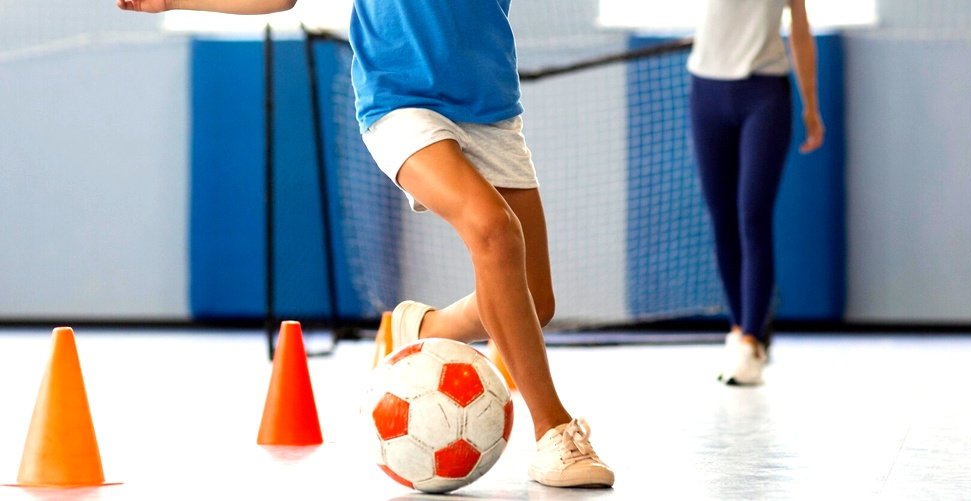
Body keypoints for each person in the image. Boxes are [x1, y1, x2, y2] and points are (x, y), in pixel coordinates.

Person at [116, 0, 615, 488]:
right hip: (401, 106)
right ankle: (555, 431)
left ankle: (429, 327)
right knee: (494, 229)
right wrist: (171, 0)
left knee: (534, 300)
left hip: (492, 110)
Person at [687, 0, 825, 385]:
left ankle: (752, 338)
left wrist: (811, 105)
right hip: (706, 90)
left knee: (753, 214)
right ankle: (738, 330)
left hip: (764, 94)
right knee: (722, 218)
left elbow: (799, 30)